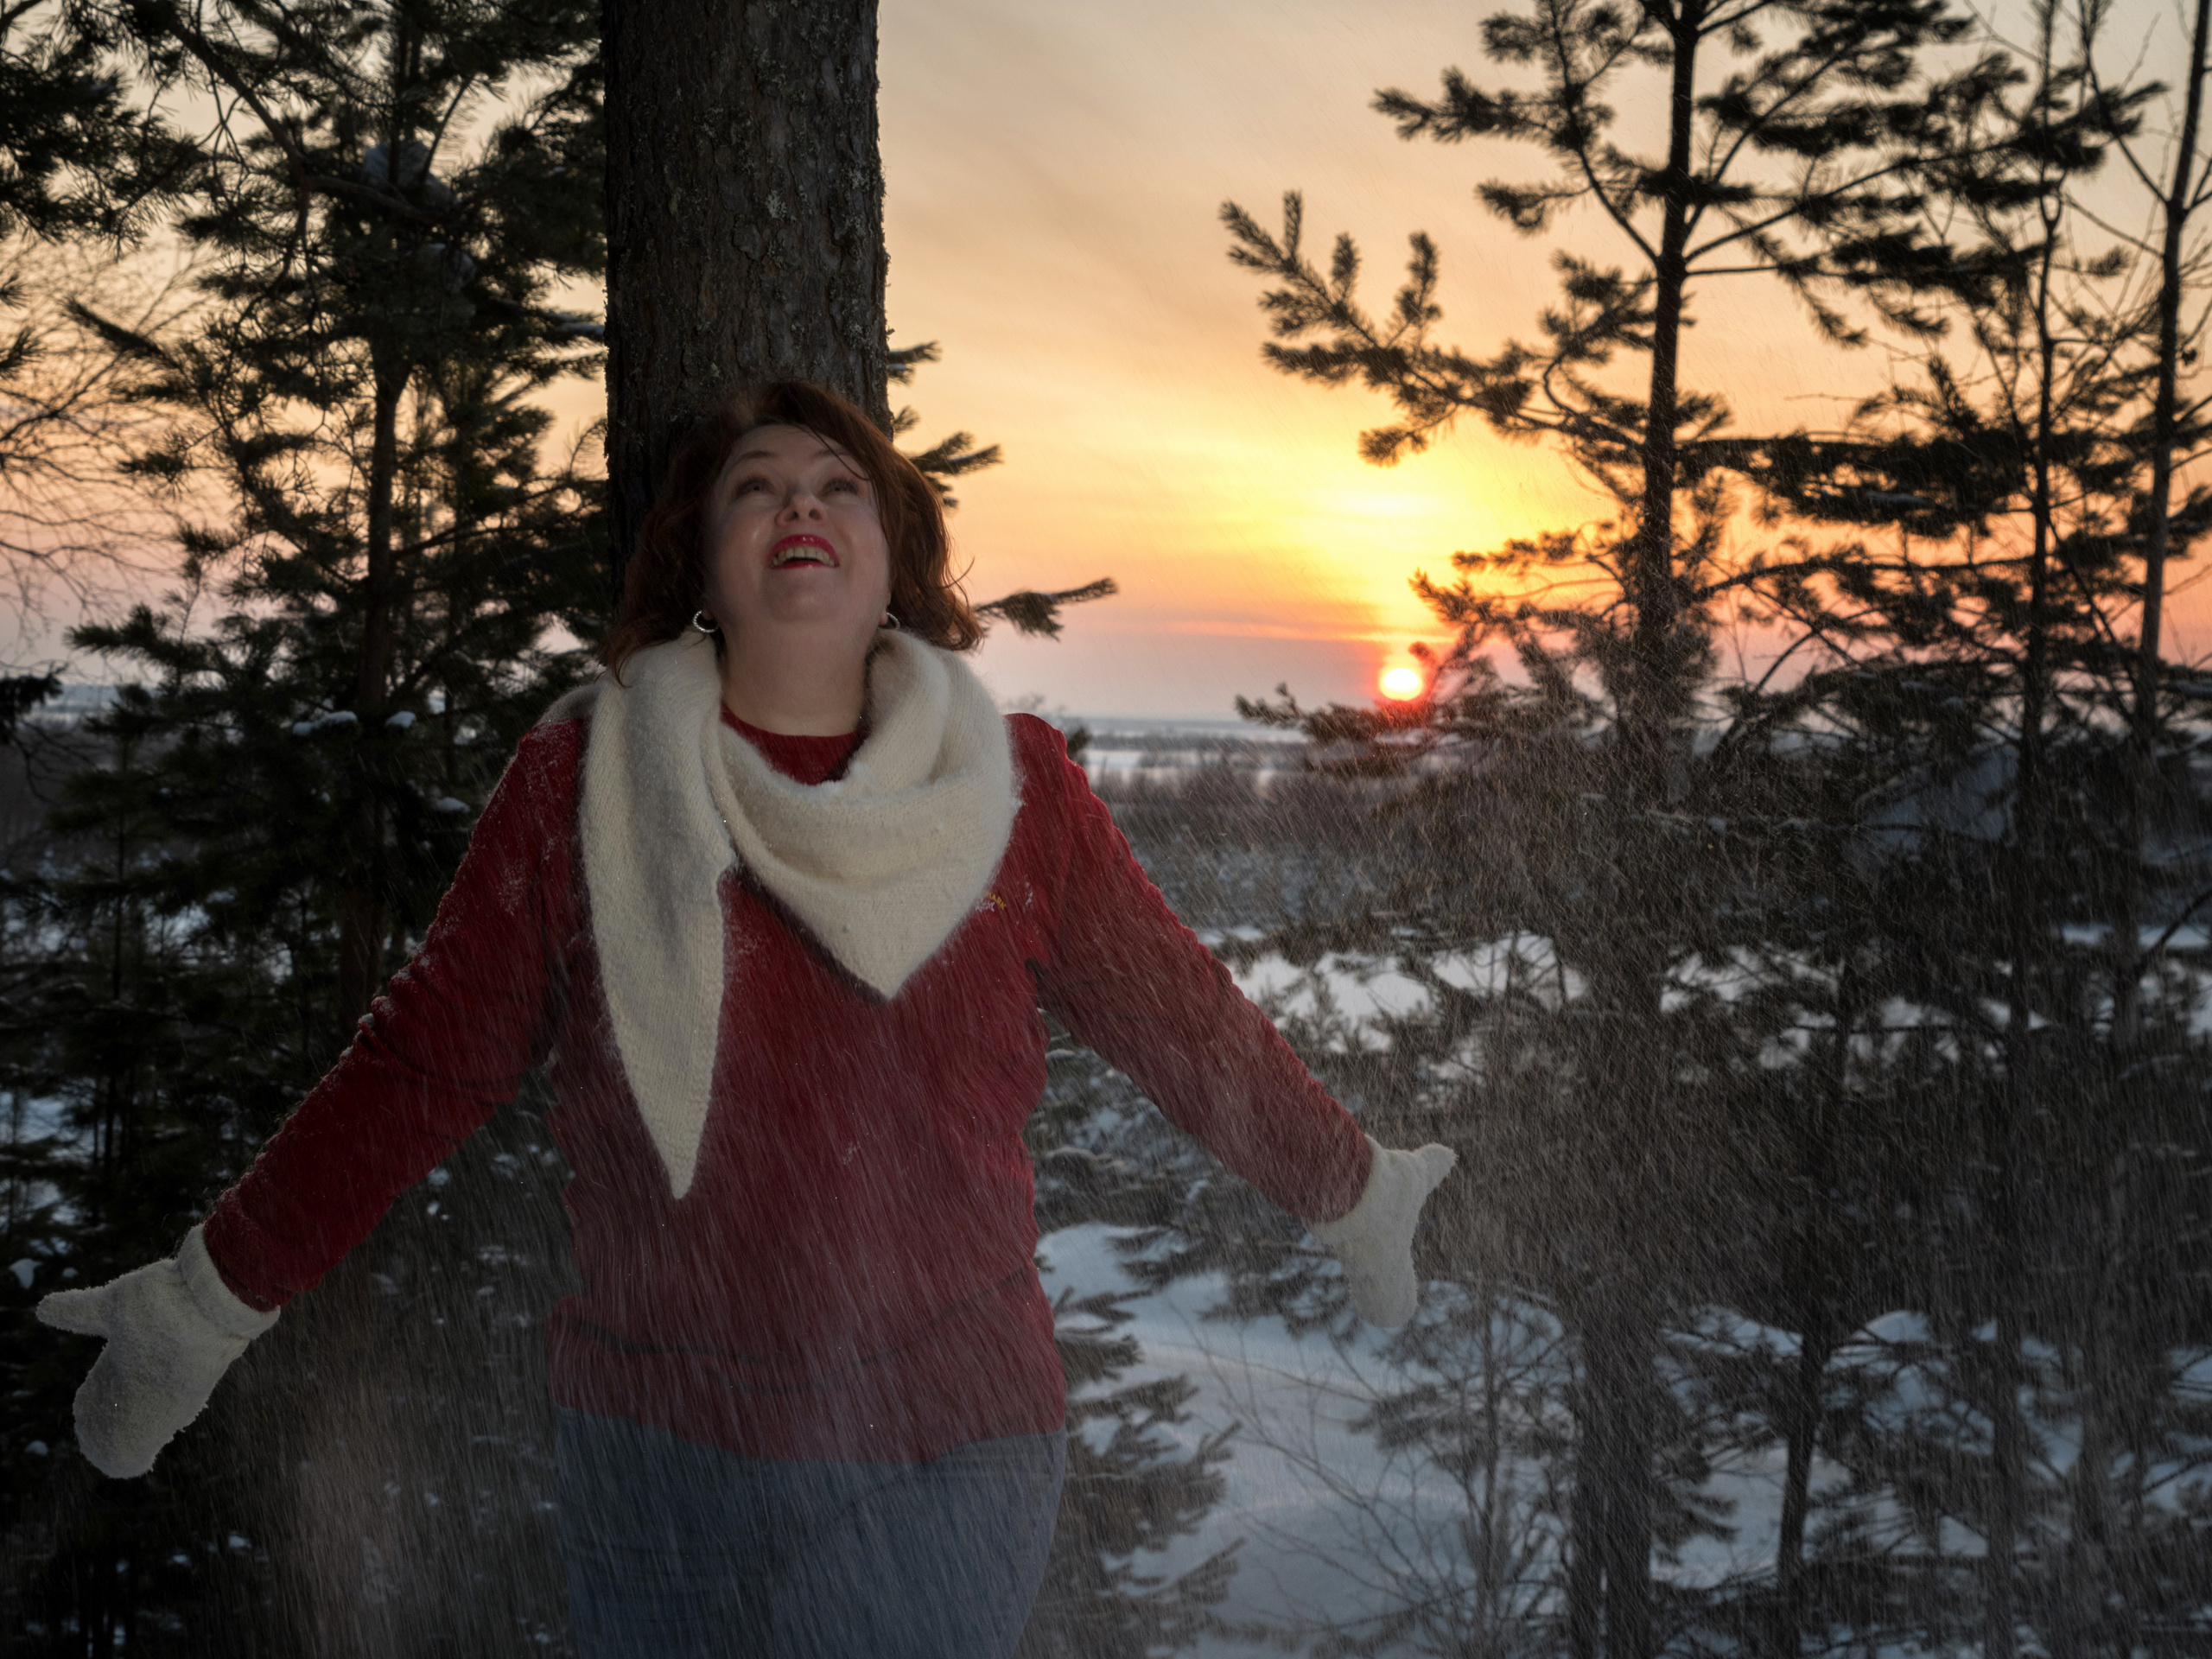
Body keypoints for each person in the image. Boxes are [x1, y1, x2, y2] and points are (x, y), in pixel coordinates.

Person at [36, 381, 1456, 1658]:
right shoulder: (582, 787)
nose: (800, 506)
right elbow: (421, 1065)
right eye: (756, 489)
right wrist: (209, 1298)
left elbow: (1185, 1027)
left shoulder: (1016, 794)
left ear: (894, 552)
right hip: (655, 1455)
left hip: (945, 1449)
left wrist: (1349, 1185)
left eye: (840, 486)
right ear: (701, 564)